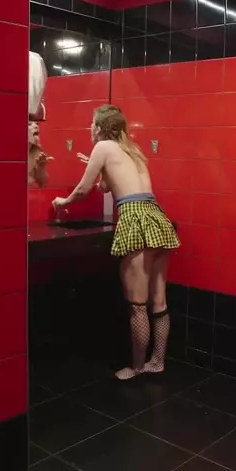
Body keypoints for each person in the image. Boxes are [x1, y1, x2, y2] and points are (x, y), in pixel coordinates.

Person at [52, 104, 181, 380]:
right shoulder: (133, 150)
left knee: (137, 304)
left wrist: (63, 202)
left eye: (92, 124)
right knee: (159, 301)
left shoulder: (103, 147)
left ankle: (136, 367)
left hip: (135, 218)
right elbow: (105, 186)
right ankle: (157, 361)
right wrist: (96, 167)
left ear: (99, 127)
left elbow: (84, 190)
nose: (90, 128)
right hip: (157, 217)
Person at [28, 121, 52, 187]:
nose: (36, 126)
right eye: (29, 124)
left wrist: (41, 168)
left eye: (37, 123)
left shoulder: (36, 152)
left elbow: (42, 184)